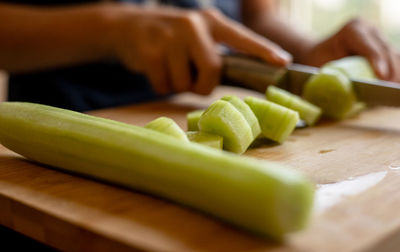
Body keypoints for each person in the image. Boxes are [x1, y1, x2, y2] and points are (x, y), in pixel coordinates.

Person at [0, 0, 399, 112]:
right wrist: (111, 27)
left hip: (216, 102)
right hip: (71, 123)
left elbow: (259, 14)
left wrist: (310, 49)